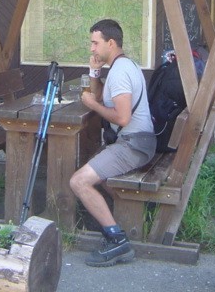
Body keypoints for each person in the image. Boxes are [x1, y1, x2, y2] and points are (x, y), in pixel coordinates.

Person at [70, 19, 156, 267]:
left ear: (110, 43)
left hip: (134, 144)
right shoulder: (123, 65)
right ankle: (120, 219)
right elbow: (98, 95)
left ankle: (117, 240)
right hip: (138, 141)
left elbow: (122, 118)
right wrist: (94, 72)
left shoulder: (119, 73)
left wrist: (92, 105)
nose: (92, 49)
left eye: (95, 43)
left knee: (79, 181)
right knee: (94, 167)